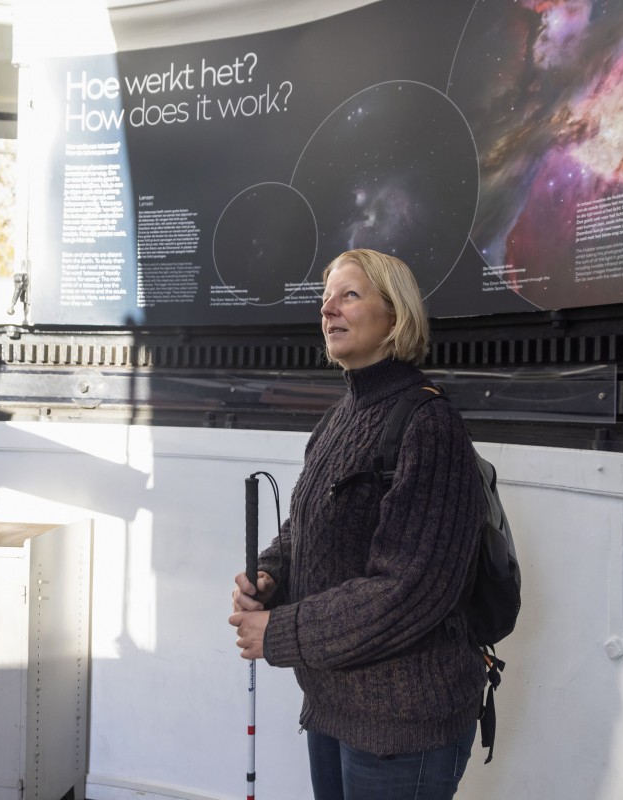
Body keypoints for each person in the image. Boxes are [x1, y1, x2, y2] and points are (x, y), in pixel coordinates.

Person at [228, 248, 487, 800]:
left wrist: (280, 631)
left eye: (349, 295)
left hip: (402, 725)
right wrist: (272, 574)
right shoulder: (340, 417)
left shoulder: (428, 425)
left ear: (397, 316)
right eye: (326, 299)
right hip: (332, 704)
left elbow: (409, 590)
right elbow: (305, 526)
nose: (328, 310)